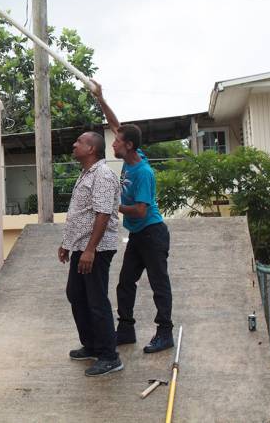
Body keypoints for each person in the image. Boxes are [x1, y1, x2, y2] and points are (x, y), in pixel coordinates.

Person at [91, 81, 175, 354]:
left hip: (152, 232)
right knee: (126, 282)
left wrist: (114, 205)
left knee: (158, 283)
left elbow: (140, 210)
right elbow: (116, 124)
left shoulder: (143, 173)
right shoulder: (132, 156)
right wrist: (101, 98)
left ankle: (165, 333)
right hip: (139, 235)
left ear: (127, 146)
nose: (112, 143)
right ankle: (126, 329)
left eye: (116, 141)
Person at [59, 131, 123, 376]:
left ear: (91, 149)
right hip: (80, 246)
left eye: (80, 142)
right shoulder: (86, 174)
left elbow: (103, 214)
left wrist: (90, 250)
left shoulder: (103, 175)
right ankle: (92, 345)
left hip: (97, 249)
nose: (74, 144)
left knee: (96, 301)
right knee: (76, 294)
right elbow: (80, 213)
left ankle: (110, 356)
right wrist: (67, 243)